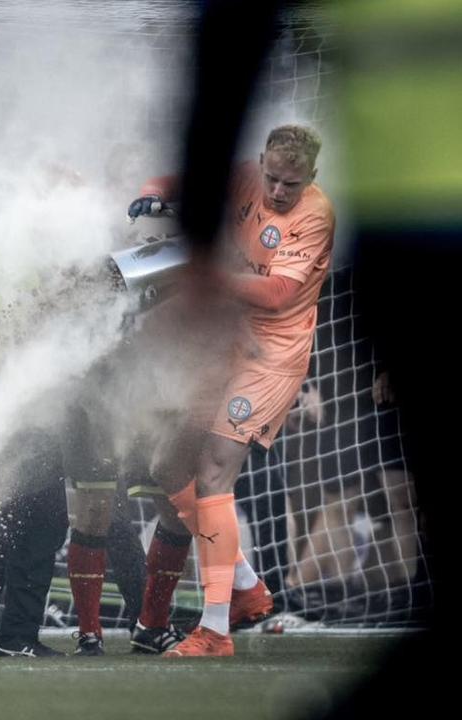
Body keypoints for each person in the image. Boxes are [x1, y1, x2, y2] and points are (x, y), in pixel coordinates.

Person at [128, 125, 335, 657]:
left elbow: (278, 290)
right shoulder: (243, 177)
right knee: (167, 467)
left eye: (291, 184)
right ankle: (244, 585)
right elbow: (177, 181)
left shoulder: (315, 216)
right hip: (224, 339)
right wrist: (152, 193)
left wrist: (203, 274)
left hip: (270, 357)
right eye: (272, 178)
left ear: (310, 178)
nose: (278, 192)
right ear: (260, 162)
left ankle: (215, 629)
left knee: (215, 472)